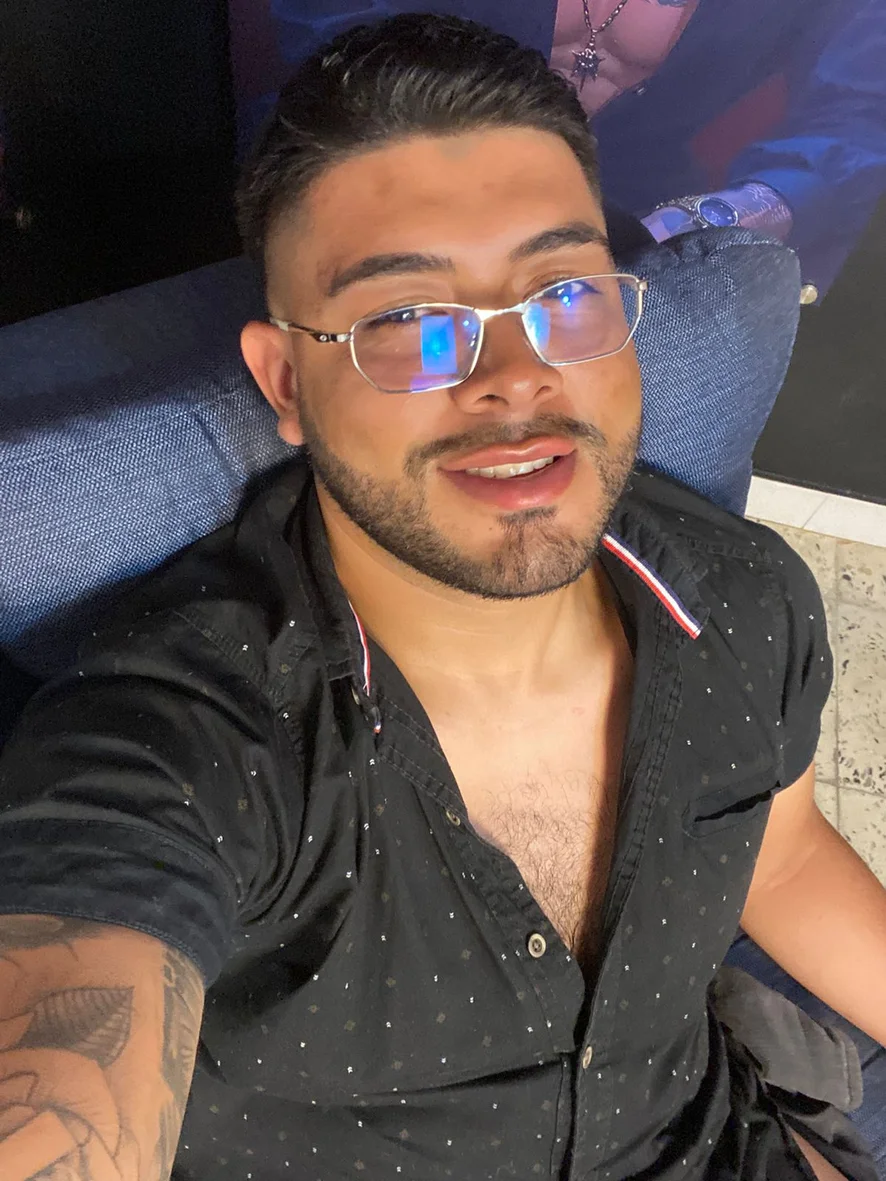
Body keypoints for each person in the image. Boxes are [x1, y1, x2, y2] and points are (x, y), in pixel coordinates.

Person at [0, 14, 883, 1181]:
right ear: (285, 380)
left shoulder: (742, 593)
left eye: (561, 291)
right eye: (408, 321)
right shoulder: (186, 736)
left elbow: (778, 855)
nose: (515, 377)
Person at [230, 0, 886, 299]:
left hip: (641, 215)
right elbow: (339, 37)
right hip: (380, 156)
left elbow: (859, 114)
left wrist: (726, 215)